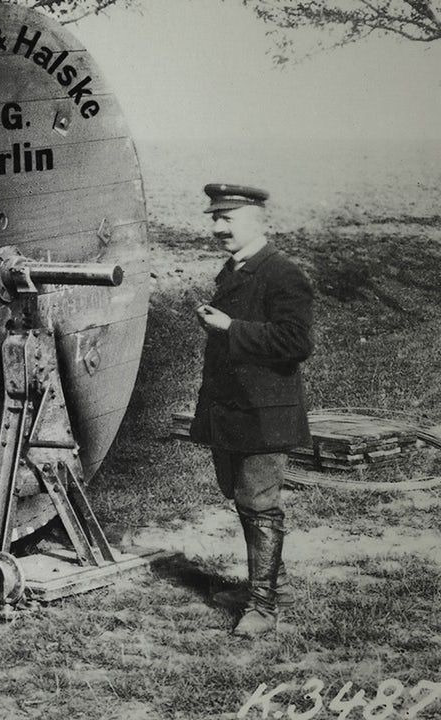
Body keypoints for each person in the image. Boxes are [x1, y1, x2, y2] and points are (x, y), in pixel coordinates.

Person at [189, 183, 314, 638]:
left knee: (260, 504)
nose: (219, 227)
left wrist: (231, 327)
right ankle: (274, 586)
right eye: (215, 218)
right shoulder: (237, 268)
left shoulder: (282, 274)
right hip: (236, 411)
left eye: (229, 219)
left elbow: (297, 343)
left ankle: (262, 608)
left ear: (259, 221)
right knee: (243, 498)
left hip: (265, 414)